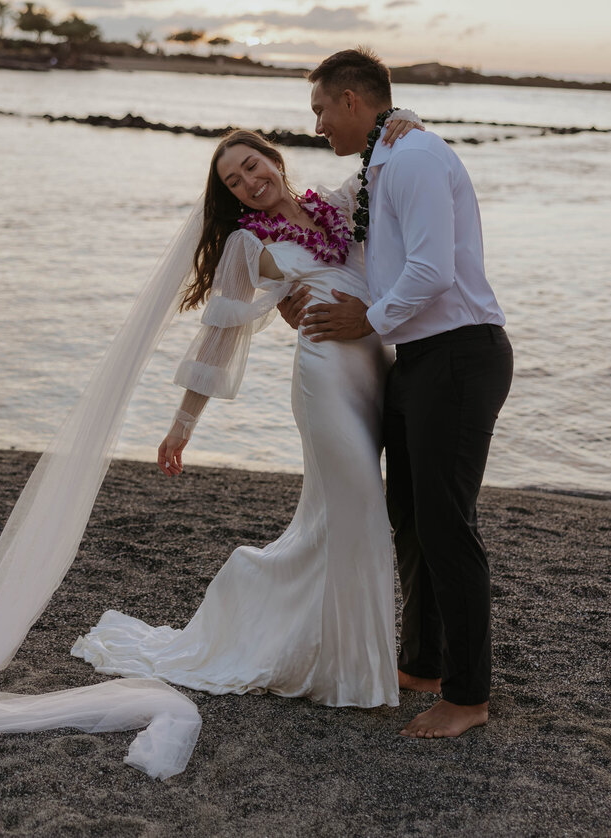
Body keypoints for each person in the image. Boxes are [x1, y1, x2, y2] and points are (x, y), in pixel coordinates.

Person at [72, 123, 419, 709]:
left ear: (274, 160)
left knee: (340, 517)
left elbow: (376, 173)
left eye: (252, 167)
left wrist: (398, 123)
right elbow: (219, 335)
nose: (249, 183)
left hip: (374, 369)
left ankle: (333, 649)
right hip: (324, 376)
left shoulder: (334, 206)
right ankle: (351, 671)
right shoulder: (246, 245)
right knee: (357, 504)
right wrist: (182, 425)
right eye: (234, 181)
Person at [283, 47, 513, 739]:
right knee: (410, 515)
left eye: (321, 108)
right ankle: (425, 661)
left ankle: (469, 696)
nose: (318, 124)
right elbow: (368, 258)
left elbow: (433, 270)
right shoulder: (384, 162)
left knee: (446, 523)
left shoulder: (413, 159)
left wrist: (368, 319)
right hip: (418, 359)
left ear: (353, 100)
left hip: (460, 355)